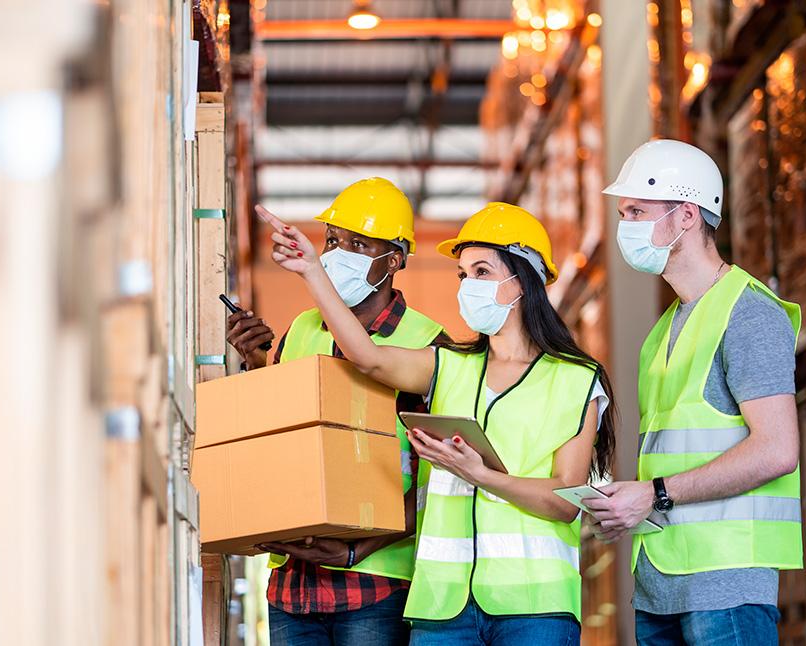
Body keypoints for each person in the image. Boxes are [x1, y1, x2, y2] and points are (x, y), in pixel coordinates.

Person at [257, 200, 617, 646]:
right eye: (463, 275)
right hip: (441, 608)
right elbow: (367, 357)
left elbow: (566, 500)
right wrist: (312, 271)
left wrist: (480, 475)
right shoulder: (447, 365)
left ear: (523, 279)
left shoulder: (577, 379)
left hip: (534, 606)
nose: (468, 286)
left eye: (482, 272)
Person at [585, 139, 803, 645]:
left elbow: (777, 450)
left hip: (726, 586)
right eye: (623, 213)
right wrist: (626, 503)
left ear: (686, 215)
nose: (626, 226)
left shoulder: (748, 315)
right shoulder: (661, 334)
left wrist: (655, 495)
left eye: (637, 211)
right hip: (659, 586)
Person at [227, 177, 445, 646]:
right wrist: (256, 363)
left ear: (394, 260)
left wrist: (353, 548)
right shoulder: (301, 328)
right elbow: (280, 434)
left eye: (358, 243)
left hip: (377, 581)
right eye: (333, 241)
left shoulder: (429, 343)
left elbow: (440, 478)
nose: (338, 252)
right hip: (293, 585)